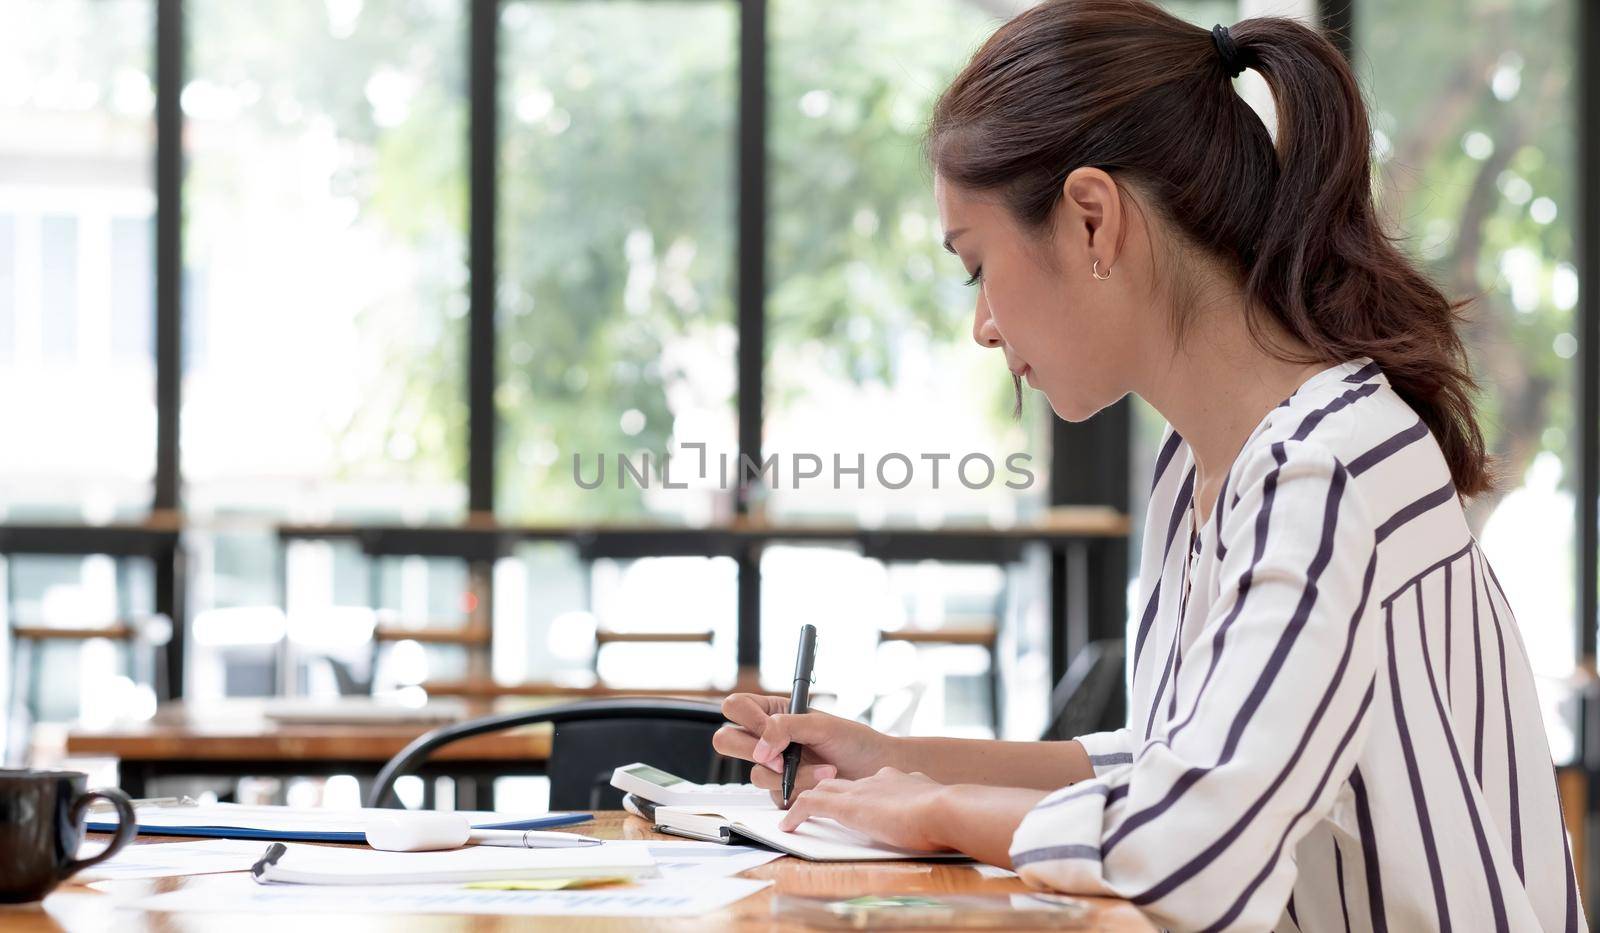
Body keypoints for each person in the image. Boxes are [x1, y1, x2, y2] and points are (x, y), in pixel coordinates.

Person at [713, 2, 1581, 930]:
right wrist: (898, 761)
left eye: (977, 266)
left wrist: (930, 811)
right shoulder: (1203, 466)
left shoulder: (1323, 469)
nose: (984, 326)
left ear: (1092, 219)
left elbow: (1194, 845)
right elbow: (1175, 764)